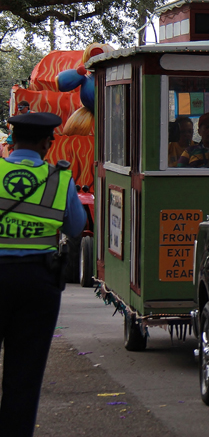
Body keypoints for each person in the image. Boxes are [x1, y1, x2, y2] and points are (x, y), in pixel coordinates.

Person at [0, 112, 87, 437]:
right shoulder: (59, 179)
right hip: (38, 283)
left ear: (11, 140)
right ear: (47, 144)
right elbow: (76, 228)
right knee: (25, 373)